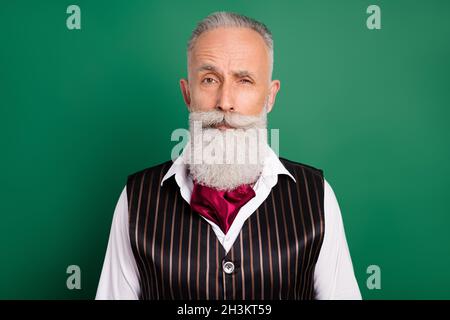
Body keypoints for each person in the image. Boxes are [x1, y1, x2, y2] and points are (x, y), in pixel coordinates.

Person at [96, 11, 361, 300]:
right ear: (188, 94)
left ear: (270, 96)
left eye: (244, 80)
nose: (225, 102)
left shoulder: (316, 196)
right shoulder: (136, 199)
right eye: (210, 80)